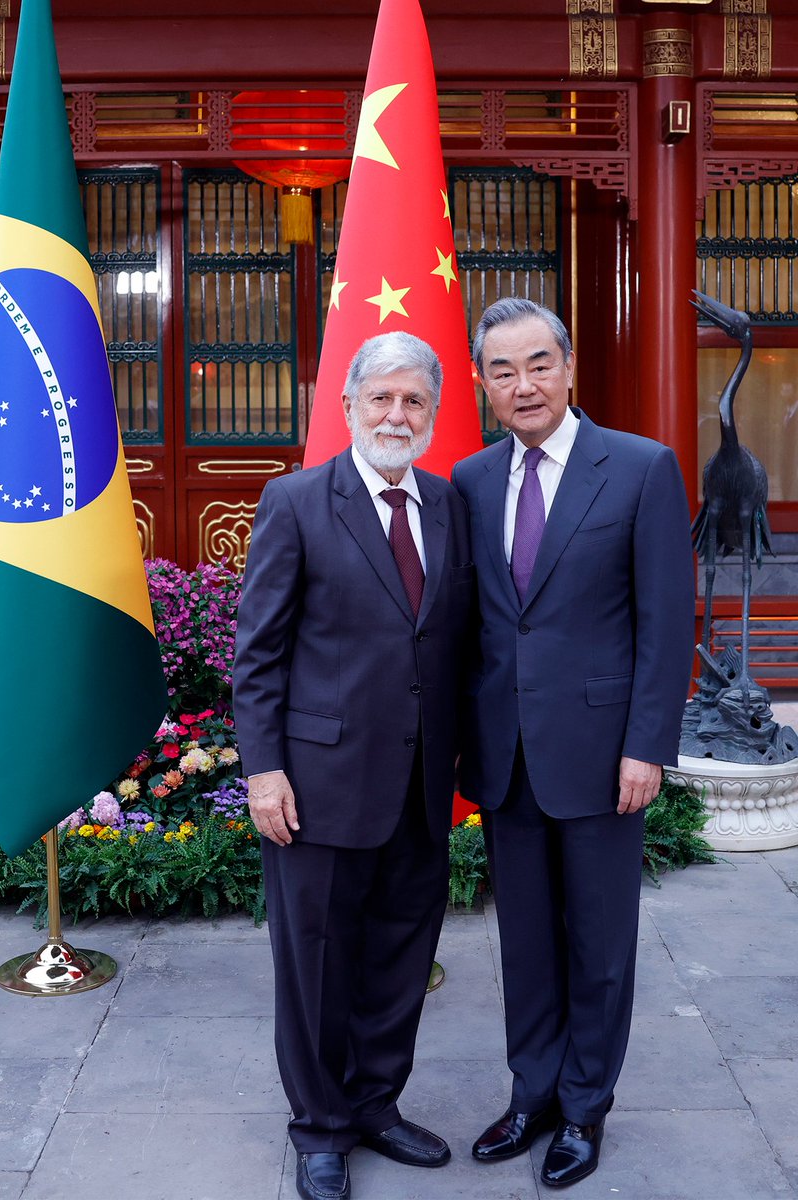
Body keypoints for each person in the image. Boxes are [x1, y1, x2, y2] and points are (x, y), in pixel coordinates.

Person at [452, 298, 694, 1188]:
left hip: (602, 755)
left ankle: (585, 1110)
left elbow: (666, 624)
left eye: (538, 364)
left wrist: (647, 745)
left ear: (569, 368)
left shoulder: (637, 469)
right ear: (482, 384)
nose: (524, 385)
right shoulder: (470, 481)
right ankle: (533, 1094)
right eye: (503, 371)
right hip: (505, 751)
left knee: (598, 944)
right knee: (523, 941)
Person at [233, 331, 474, 1200]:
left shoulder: (448, 505)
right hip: (317, 788)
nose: (396, 415)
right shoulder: (295, 503)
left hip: (418, 789)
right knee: (317, 963)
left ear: (433, 413)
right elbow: (257, 655)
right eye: (380, 398)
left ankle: (376, 1103)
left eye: (413, 401)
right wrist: (264, 771)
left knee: (401, 960)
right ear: (347, 409)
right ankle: (320, 1127)